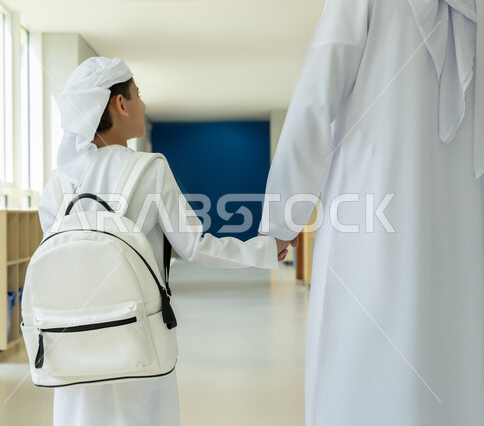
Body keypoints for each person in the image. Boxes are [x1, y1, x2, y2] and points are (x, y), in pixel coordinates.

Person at [258, 0, 484, 424]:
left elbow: (316, 97)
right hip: (461, 216)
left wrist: (284, 217)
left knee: (362, 347)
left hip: (372, 209)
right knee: (453, 357)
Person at [37, 57, 295, 426]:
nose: (143, 103)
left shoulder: (55, 186)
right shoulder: (149, 169)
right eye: (137, 94)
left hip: (73, 345)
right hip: (139, 337)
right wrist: (265, 249)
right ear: (120, 104)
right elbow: (195, 246)